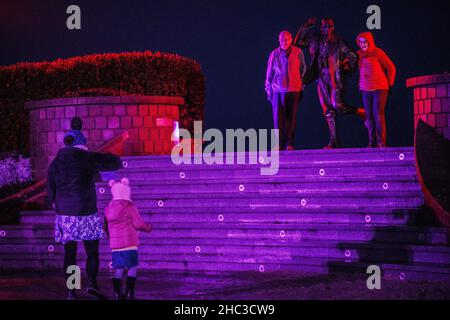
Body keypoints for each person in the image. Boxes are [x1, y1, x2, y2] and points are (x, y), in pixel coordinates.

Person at [47, 131, 123, 300]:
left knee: (70, 254)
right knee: (92, 252)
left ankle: (71, 291)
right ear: (82, 143)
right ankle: (91, 284)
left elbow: (50, 184)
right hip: (86, 212)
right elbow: (111, 162)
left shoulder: (57, 161)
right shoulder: (86, 157)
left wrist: (54, 202)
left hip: (65, 215)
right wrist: (116, 159)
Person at [295, 18, 365, 149]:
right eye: (323, 27)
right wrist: (306, 26)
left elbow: (353, 56)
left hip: (334, 77)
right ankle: (334, 141)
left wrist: (346, 67)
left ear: (332, 27)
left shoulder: (339, 41)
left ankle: (359, 111)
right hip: (320, 77)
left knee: (338, 105)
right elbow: (298, 42)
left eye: (328, 27)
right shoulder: (315, 39)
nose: (325, 29)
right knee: (327, 110)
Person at [105, 177, 151, 300]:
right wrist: (148, 227)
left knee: (119, 268)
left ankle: (116, 293)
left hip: (115, 245)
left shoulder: (108, 209)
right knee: (132, 267)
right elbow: (138, 224)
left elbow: (106, 226)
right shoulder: (129, 206)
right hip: (129, 243)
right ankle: (130, 293)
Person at [265, 30, 307, 150]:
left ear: (291, 39)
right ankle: (278, 144)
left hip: (293, 90)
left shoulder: (298, 52)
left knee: (291, 118)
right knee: (278, 119)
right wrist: (268, 90)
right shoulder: (274, 54)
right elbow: (269, 73)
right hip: (277, 91)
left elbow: (303, 69)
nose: (284, 42)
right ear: (279, 40)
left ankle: (289, 143)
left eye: (287, 39)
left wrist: (300, 85)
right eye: (282, 40)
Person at [356, 31, 396, 148]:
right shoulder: (358, 55)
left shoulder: (378, 53)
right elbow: (348, 64)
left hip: (380, 88)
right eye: (360, 42)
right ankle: (371, 142)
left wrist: (390, 83)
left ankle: (381, 142)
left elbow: (391, 68)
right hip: (365, 89)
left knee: (378, 114)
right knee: (368, 115)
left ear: (369, 41)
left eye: (365, 42)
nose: (362, 44)